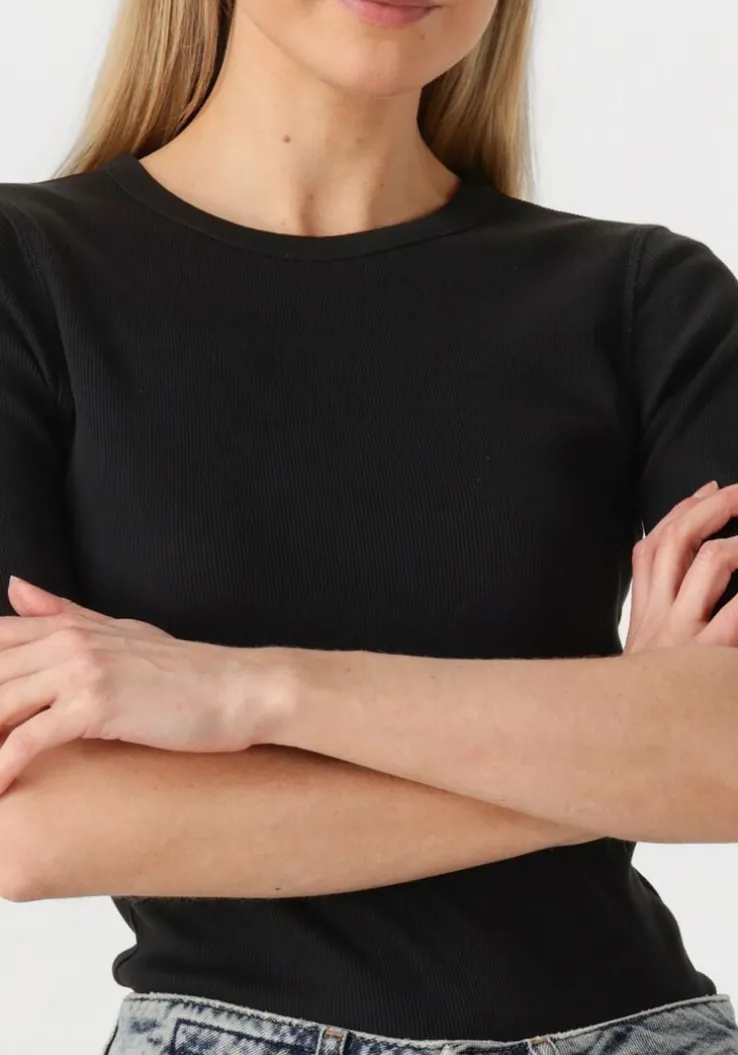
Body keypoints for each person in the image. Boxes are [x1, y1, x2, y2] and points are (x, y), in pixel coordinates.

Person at [1, 0, 738, 1053]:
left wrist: (254, 689)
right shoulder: (30, 273)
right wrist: (621, 758)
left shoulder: (648, 300)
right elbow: (37, 823)